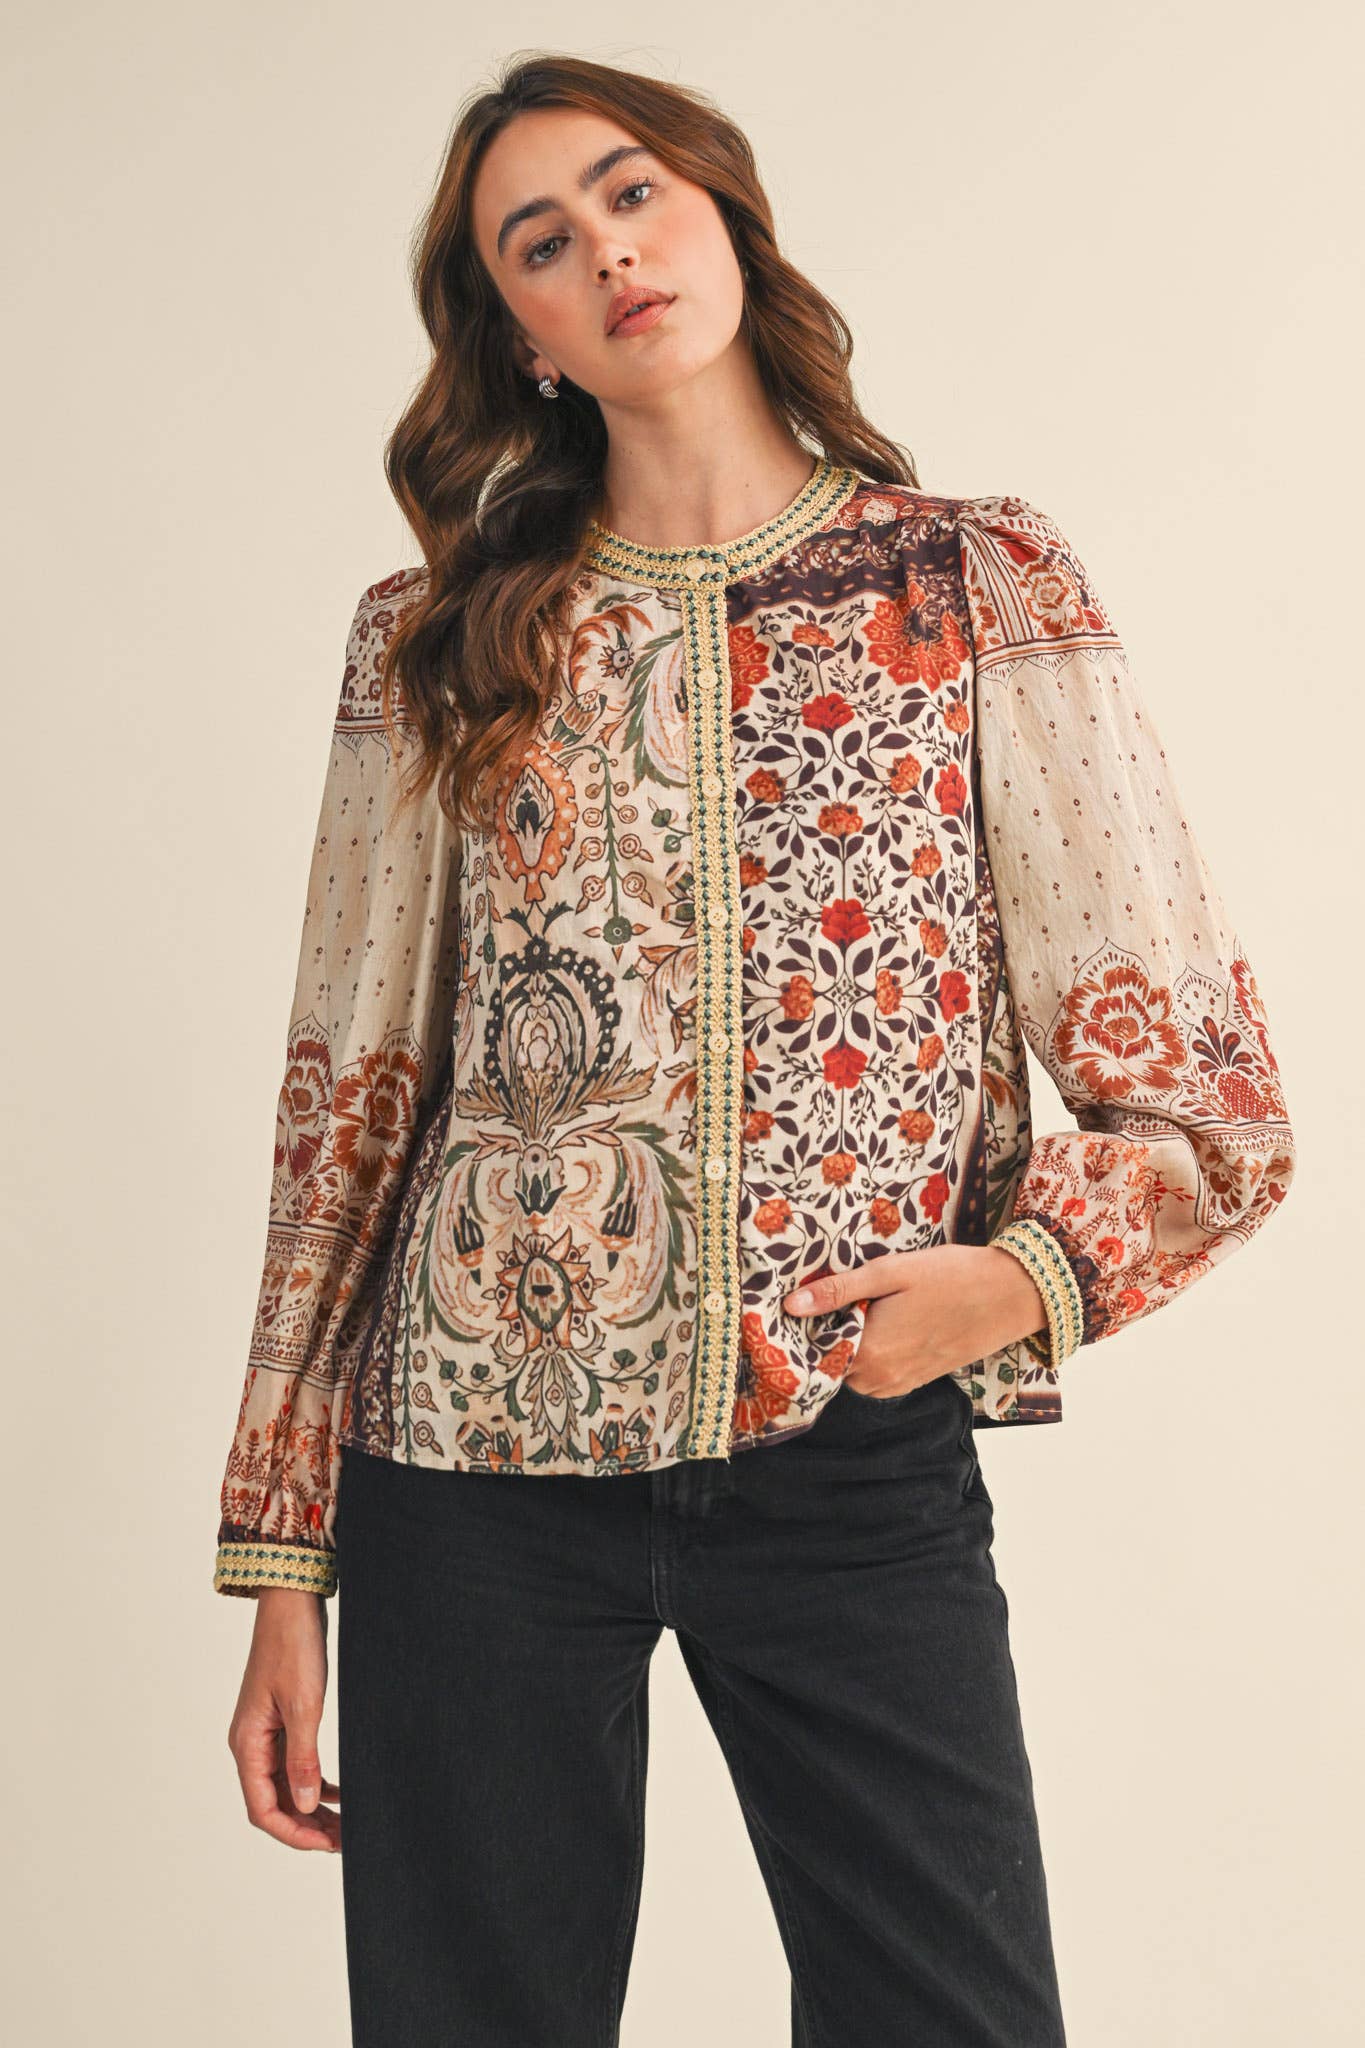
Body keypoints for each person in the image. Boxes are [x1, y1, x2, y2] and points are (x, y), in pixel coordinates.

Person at [215, 52, 1297, 2048]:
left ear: (721, 210)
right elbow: (346, 1103)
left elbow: (1205, 1094)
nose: (607, 251)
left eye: (632, 193)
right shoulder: (434, 637)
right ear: (519, 337)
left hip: (844, 1454)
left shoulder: (971, 581)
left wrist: (1010, 1284)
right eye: (541, 242)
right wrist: (283, 1550)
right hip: (464, 1473)